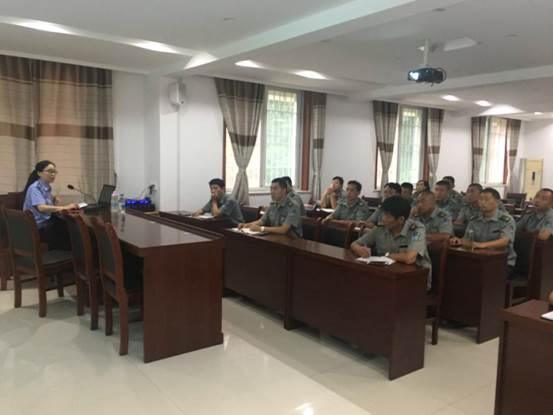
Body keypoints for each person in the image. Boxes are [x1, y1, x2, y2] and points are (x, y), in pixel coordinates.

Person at [351, 196, 432, 288]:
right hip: (388, 276)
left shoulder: (417, 230)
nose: (383, 218)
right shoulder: (380, 228)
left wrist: (386, 256)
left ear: (401, 219)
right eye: (383, 214)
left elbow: (410, 258)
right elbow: (354, 244)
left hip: (415, 281)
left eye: (387, 216)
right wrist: (359, 250)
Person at [450, 187, 517, 277]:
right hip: (478, 259)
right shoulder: (474, 219)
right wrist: (460, 240)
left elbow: (504, 241)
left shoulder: (506, 220)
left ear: (497, 202)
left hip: (502, 262)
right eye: (480, 199)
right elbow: (467, 238)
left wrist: (481, 245)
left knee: (475, 275)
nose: (482, 202)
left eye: (486, 200)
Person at [22, 160, 79, 250]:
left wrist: (54, 200)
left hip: (46, 223)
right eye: (50, 171)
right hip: (38, 229)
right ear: (39, 173)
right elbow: (41, 208)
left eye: (54, 172)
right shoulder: (35, 188)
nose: (53, 174)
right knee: (72, 234)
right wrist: (65, 207)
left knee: (72, 229)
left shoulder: (45, 187)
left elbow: (46, 204)